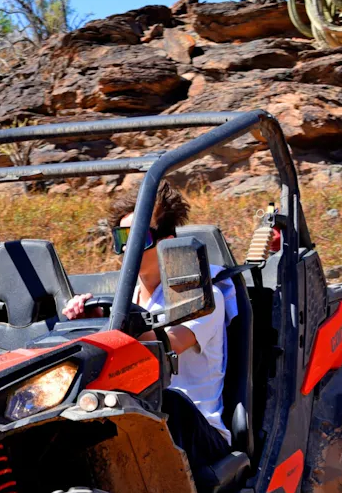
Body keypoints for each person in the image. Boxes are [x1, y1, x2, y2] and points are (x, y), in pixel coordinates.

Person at [62, 184, 234, 476]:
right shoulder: (122, 301)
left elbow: (166, 345)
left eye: (140, 237)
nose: (128, 247)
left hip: (197, 431)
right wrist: (87, 322)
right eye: (122, 238)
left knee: (167, 400)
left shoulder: (202, 298)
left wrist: (113, 327)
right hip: (142, 418)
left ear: (167, 242)